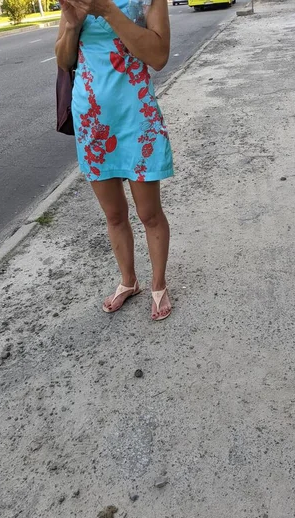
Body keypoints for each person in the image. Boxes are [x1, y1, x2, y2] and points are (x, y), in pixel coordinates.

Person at [55, 0, 174, 321]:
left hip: (136, 117)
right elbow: (64, 60)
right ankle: (128, 281)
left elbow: (158, 57)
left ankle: (158, 283)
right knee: (114, 214)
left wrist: (107, 11)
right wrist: (71, 23)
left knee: (149, 213)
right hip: (92, 119)